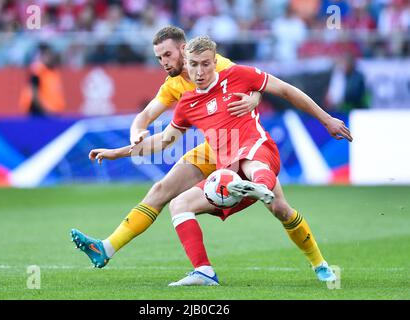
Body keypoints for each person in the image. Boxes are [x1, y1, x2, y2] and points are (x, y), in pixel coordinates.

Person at [81, 36, 353, 286]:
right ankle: (203, 271)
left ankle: (317, 261)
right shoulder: (184, 100)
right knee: (178, 202)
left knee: (261, 179)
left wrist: (326, 118)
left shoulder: (234, 72)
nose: (199, 71)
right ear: (187, 62)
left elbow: (284, 90)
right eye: (194, 66)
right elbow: (163, 139)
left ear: (207, 59)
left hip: (254, 147)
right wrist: (117, 151)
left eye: (205, 64)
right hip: (222, 158)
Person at [70, 26, 261, 267]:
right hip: (211, 148)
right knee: (160, 190)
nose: (163, 62)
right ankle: (105, 248)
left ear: (183, 49)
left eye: (167, 55)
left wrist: (255, 98)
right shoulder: (173, 85)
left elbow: (254, 83)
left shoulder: (215, 64)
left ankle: (318, 264)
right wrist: (136, 134)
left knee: (279, 208)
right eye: (159, 57)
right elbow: (146, 115)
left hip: (241, 145)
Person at [19, 43, 66, 116]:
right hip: (40, 113)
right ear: (42, 56)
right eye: (47, 55)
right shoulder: (38, 72)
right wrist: (43, 111)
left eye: (51, 55)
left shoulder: (53, 72)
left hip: (54, 112)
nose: (50, 57)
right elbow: (34, 93)